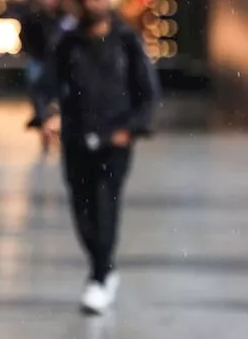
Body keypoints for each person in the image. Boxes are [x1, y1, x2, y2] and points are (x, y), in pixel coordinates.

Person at [37, 0, 158, 315]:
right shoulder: (67, 42)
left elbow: (147, 92)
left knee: (106, 205)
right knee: (82, 209)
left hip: (114, 141)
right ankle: (104, 267)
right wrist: (46, 115)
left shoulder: (127, 41)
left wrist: (130, 129)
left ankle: (100, 277)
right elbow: (46, 85)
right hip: (77, 138)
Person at [21, 0, 75, 153]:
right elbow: (26, 38)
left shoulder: (64, 18)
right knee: (36, 84)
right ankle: (42, 118)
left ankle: (56, 124)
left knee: (66, 91)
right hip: (39, 59)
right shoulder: (33, 17)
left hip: (59, 62)